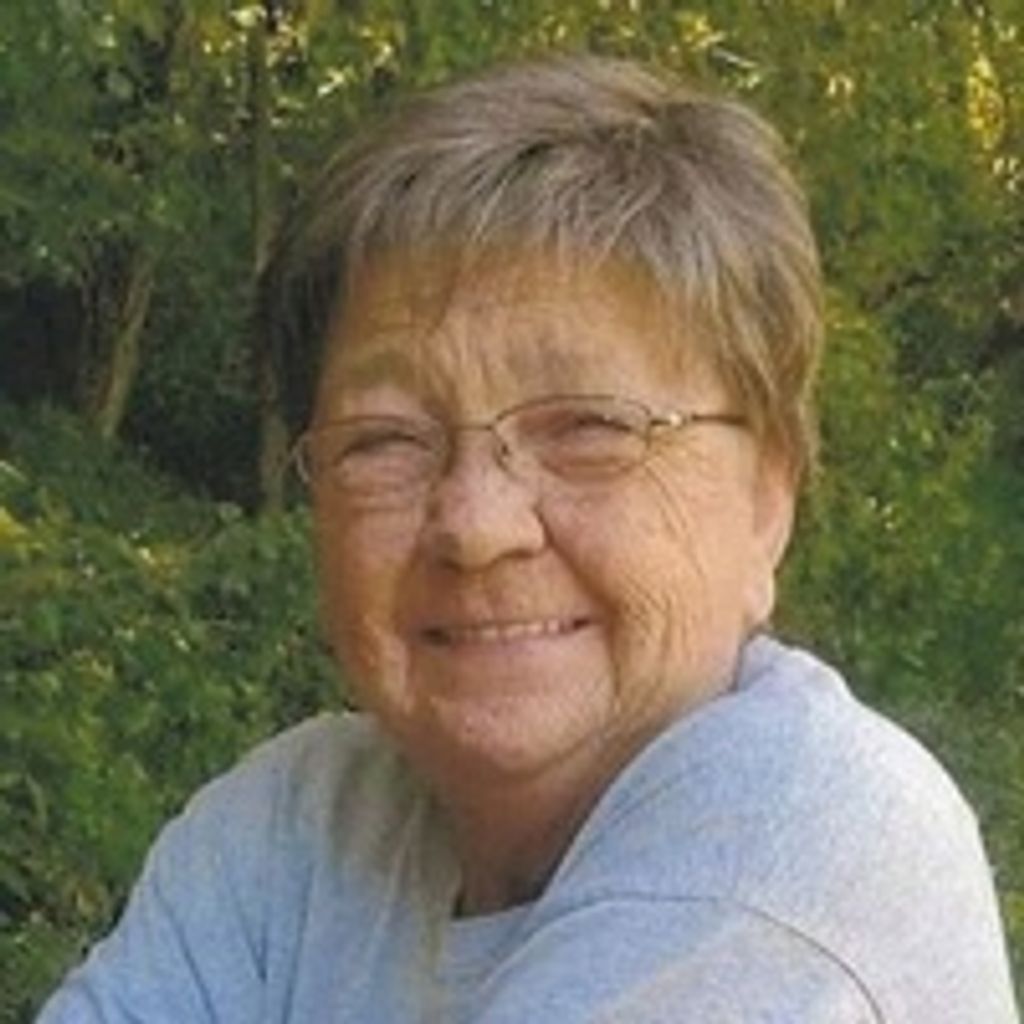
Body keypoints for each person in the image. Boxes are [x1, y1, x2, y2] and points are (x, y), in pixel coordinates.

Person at [38, 54, 1018, 1023]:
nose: (475, 524)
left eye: (589, 428)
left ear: (766, 500)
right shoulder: (296, 827)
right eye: (384, 440)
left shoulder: (806, 829)